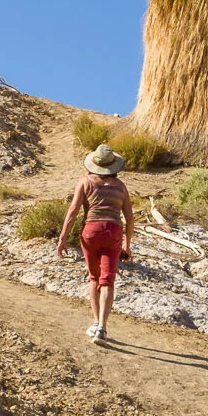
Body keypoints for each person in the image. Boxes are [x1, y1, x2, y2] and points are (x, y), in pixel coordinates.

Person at [59, 144, 137, 344]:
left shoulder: (85, 182)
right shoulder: (121, 187)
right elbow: (129, 218)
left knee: (94, 278)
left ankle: (95, 323)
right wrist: (127, 246)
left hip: (91, 231)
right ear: (113, 166)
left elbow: (73, 210)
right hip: (113, 232)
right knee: (108, 281)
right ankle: (102, 327)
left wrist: (63, 238)